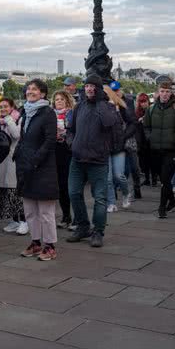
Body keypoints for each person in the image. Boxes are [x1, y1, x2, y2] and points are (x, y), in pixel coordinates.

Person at [66, 74, 116, 248]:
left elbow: (109, 123)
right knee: (73, 193)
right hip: (78, 158)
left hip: (98, 160)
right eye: (86, 86)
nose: (89, 89)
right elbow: (70, 129)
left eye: (92, 86)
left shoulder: (107, 107)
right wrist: (72, 143)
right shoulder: (79, 106)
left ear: (98, 88)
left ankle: (98, 231)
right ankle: (82, 226)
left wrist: (101, 101)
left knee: (100, 198)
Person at [14, 80, 59, 261]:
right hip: (25, 166)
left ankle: (50, 246)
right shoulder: (26, 111)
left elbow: (50, 141)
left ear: (43, 93)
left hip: (42, 167)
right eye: (29, 89)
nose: (30, 91)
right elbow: (24, 138)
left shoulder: (47, 113)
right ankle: (35, 242)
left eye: (35, 89)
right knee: (30, 210)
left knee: (46, 211)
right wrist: (18, 155)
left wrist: (36, 160)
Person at [143, 81, 175, 219]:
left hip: (171, 149)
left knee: (166, 178)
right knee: (164, 180)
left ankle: (162, 208)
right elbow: (146, 127)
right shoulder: (151, 108)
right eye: (162, 91)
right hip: (155, 149)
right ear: (158, 92)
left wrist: (174, 139)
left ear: (171, 93)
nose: (165, 94)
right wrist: (150, 137)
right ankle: (172, 201)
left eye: (167, 91)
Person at [0, 98, 27, 235]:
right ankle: (15, 220)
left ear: (12, 107)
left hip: (14, 160)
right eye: (1, 107)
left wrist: (8, 119)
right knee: (7, 192)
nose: (3, 109)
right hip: (2, 161)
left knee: (16, 192)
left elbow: (16, 134)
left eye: (6, 106)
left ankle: (24, 221)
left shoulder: (18, 119)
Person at [105, 82, 134, 212]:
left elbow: (132, 123)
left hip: (118, 146)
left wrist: (124, 136)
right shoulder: (100, 108)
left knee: (119, 175)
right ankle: (111, 203)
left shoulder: (120, 106)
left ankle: (126, 193)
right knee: (108, 178)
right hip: (105, 147)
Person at [52, 90, 75, 228]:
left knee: (69, 186)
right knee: (60, 186)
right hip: (55, 151)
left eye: (61, 99)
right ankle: (66, 216)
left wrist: (63, 132)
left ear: (67, 100)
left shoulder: (71, 114)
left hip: (67, 151)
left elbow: (73, 131)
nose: (59, 101)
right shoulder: (51, 115)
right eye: (56, 99)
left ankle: (76, 218)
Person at [135, 93, 155, 187]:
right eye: (141, 102)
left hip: (151, 139)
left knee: (153, 160)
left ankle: (154, 179)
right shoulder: (137, 112)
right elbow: (134, 124)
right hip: (141, 139)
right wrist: (139, 120)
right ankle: (147, 179)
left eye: (145, 101)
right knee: (143, 161)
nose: (143, 104)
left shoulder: (152, 110)